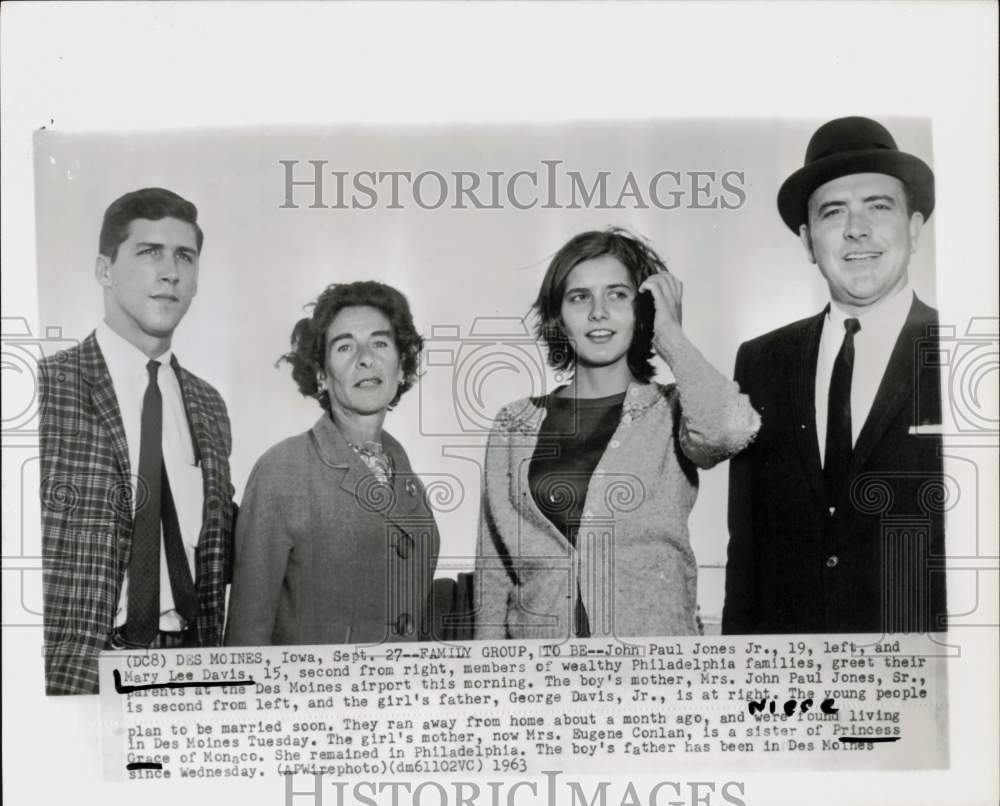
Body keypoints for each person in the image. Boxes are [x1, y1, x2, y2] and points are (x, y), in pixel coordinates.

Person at [474, 228, 760, 640]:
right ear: (559, 315)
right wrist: (488, 678)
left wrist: (671, 336)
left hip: (654, 669)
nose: (598, 312)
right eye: (579, 297)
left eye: (617, 295)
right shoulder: (514, 423)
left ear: (643, 309)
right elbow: (494, 569)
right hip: (538, 674)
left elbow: (730, 430)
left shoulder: (673, 409)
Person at [722, 116, 947, 634]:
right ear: (807, 241)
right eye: (833, 212)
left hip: (925, 677)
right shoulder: (761, 361)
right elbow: (747, 547)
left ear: (914, 229)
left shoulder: (966, 353)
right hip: (792, 681)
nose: (856, 229)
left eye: (878, 206)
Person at [39, 188, 235, 695]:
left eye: (184, 257)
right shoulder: (45, 389)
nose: (170, 271)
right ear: (105, 270)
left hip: (190, 668)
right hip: (79, 669)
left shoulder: (208, 405)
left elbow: (220, 543)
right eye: (149, 252)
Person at [225, 281, 439, 646]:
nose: (365, 358)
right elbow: (248, 634)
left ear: (401, 368)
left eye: (380, 343)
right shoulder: (283, 469)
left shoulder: (408, 481)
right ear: (322, 375)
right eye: (344, 347)